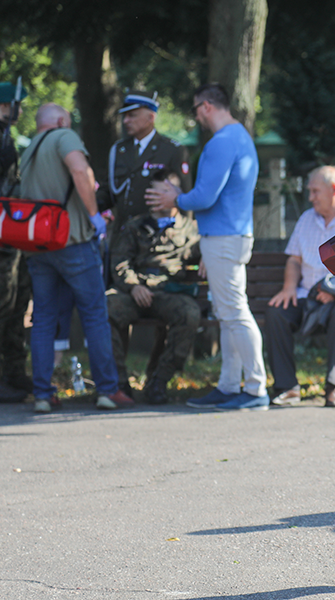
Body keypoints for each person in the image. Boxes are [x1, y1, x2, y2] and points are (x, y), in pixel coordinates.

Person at [145, 83, 268, 411]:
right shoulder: (241, 137)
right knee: (229, 313)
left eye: (196, 109)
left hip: (223, 238)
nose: (197, 116)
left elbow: (204, 197)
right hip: (235, 235)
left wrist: (176, 198)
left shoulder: (221, 143)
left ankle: (255, 389)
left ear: (206, 107)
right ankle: (229, 386)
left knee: (234, 313)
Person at [20, 104, 135, 413]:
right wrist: (95, 215)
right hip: (71, 241)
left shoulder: (28, 148)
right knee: (94, 315)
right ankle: (107, 391)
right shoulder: (64, 137)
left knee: (43, 319)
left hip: (38, 247)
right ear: (60, 122)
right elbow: (80, 170)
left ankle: (43, 394)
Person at [265, 165, 335, 408]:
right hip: (308, 294)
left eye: (315, 191)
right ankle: (287, 387)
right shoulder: (307, 218)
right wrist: (288, 288)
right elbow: (294, 260)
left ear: (334, 189)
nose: (310, 198)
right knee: (276, 313)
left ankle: (333, 387)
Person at [107, 173, 201, 405]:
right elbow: (120, 263)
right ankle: (119, 384)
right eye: (155, 193)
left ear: (177, 196)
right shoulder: (135, 226)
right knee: (105, 310)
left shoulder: (191, 229)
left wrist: (208, 253)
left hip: (169, 293)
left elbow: (206, 251)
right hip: (136, 292)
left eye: (165, 193)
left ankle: (158, 382)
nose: (159, 199)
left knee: (190, 314)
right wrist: (133, 286)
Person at [96, 90, 192, 230]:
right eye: (125, 116)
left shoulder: (172, 150)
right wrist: (90, 207)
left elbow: (185, 196)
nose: (126, 121)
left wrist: (185, 233)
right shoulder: (119, 150)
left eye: (132, 116)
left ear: (151, 117)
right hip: (122, 236)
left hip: (157, 236)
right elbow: (109, 191)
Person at [0, 81, 33, 402]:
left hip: (11, 232)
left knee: (16, 303)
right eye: (16, 104)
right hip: (2, 236)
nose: (20, 110)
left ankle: (13, 372)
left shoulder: (6, 135)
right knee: (3, 303)